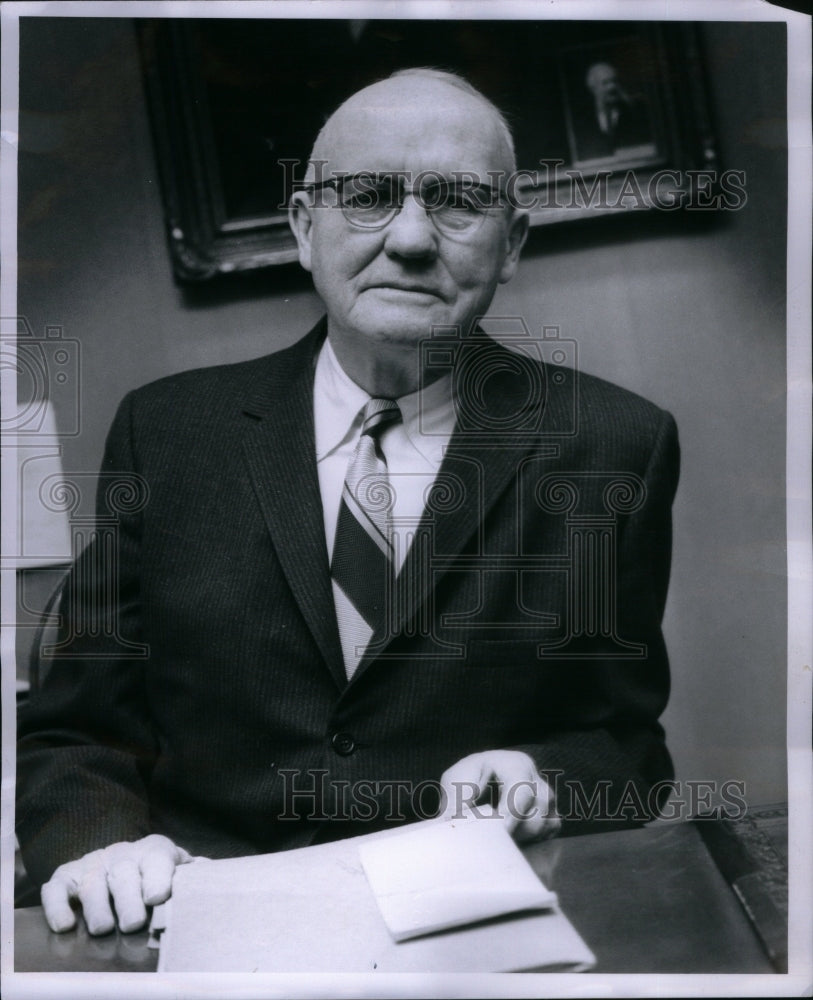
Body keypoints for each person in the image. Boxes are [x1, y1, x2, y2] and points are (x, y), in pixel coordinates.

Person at [16, 68, 679, 937]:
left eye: (457, 202)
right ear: (302, 224)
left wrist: (540, 775)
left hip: (474, 934)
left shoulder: (613, 445)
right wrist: (98, 843)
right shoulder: (167, 432)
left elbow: (629, 752)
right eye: (367, 195)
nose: (409, 237)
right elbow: (74, 735)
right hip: (201, 923)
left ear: (512, 244)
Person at [572, 61, 654, 162]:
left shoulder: (635, 111)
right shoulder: (581, 120)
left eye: (615, 81)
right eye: (605, 83)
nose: (612, 87)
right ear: (593, 88)